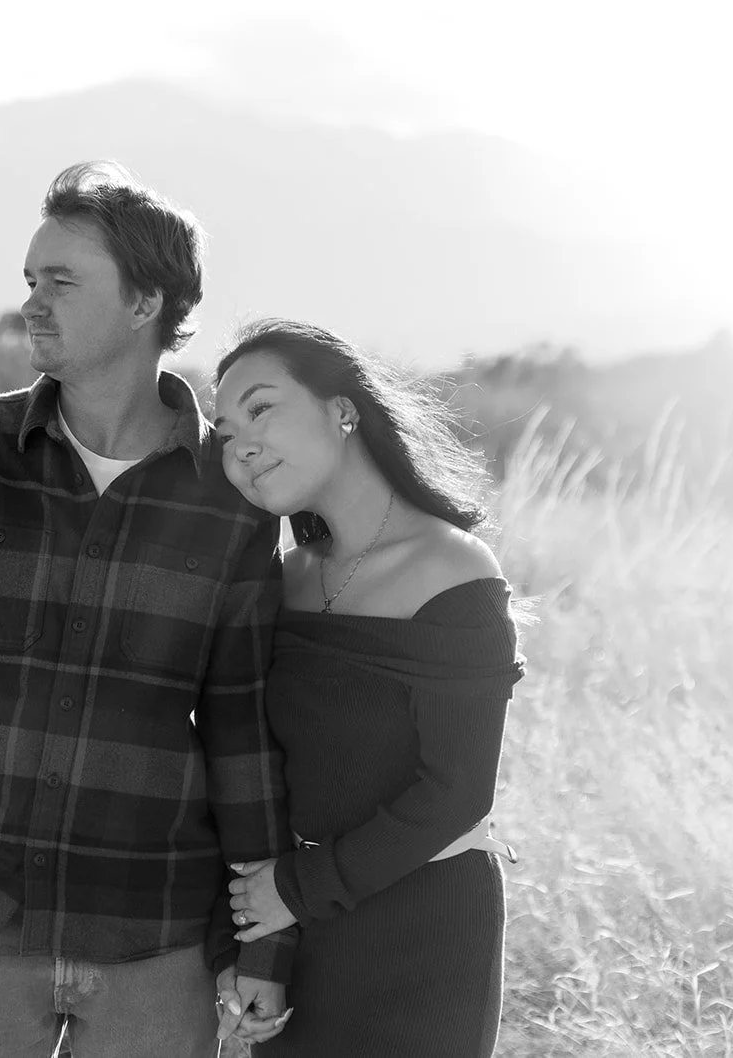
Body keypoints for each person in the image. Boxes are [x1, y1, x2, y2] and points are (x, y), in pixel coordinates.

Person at [0, 162, 295, 1058]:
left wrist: (265, 937)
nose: (32, 303)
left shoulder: (231, 494)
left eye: (62, 281)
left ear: (146, 305)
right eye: (30, 280)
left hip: (158, 934)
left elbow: (241, 725)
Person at [211, 319, 525, 1057]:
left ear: (342, 409)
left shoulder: (455, 571)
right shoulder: (281, 580)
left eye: (261, 408)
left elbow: (456, 792)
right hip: (302, 931)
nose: (242, 444)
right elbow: (257, 766)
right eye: (224, 431)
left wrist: (292, 890)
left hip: (424, 933)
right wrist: (262, 945)